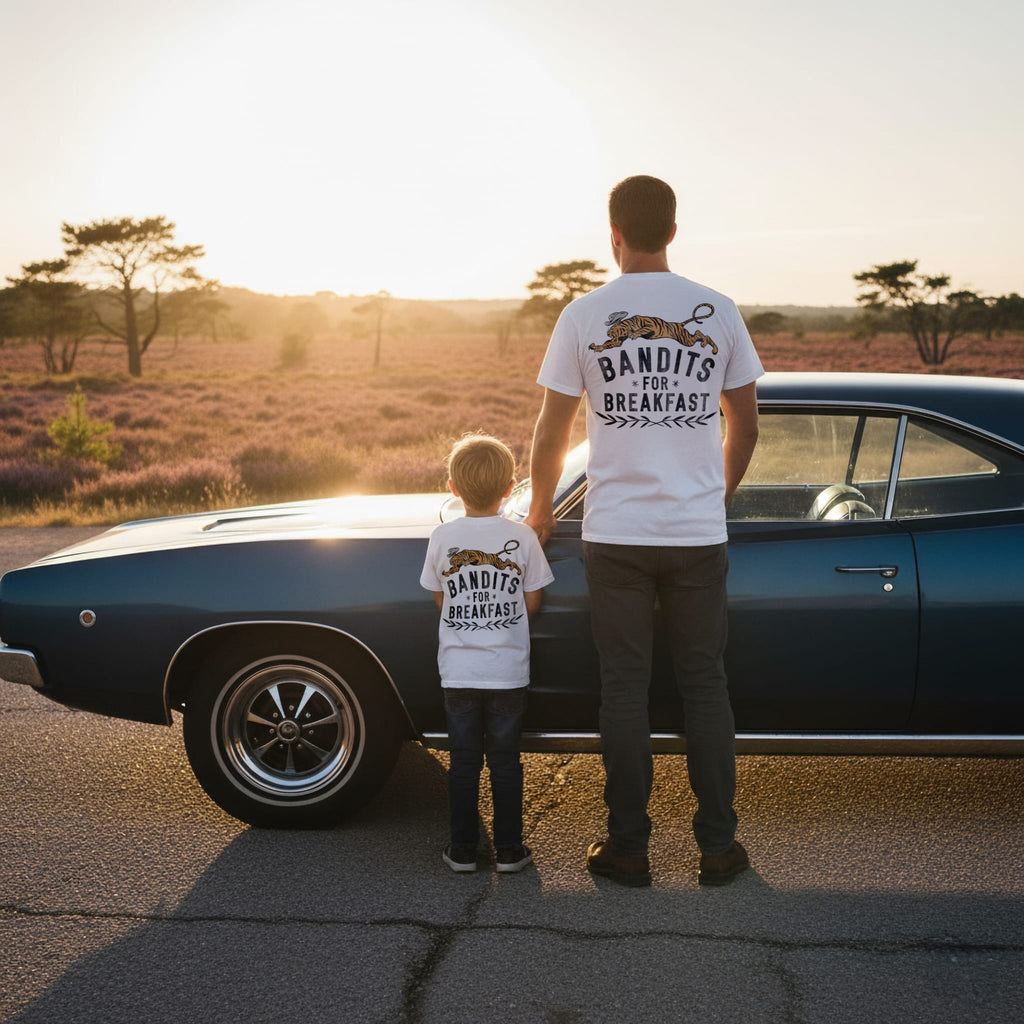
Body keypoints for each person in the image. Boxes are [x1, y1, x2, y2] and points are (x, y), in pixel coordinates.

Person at [525, 175, 762, 887]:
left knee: (623, 688)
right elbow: (745, 423)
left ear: (614, 234)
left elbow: (551, 427)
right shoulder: (717, 310)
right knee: (705, 685)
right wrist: (713, 495)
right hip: (694, 534)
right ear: (674, 230)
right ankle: (718, 848)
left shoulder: (584, 314)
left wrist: (539, 512)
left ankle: (629, 848)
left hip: (617, 536)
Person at [421, 433, 554, 874]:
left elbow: (440, 599)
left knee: (462, 763)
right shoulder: (524, 537)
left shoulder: (443, 536)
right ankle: (510, 851)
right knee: (504, 761)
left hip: (458, 672)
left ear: (453, 487)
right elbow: (533, 603)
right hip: (507, 672)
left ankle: (462, 849)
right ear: (509, 487)